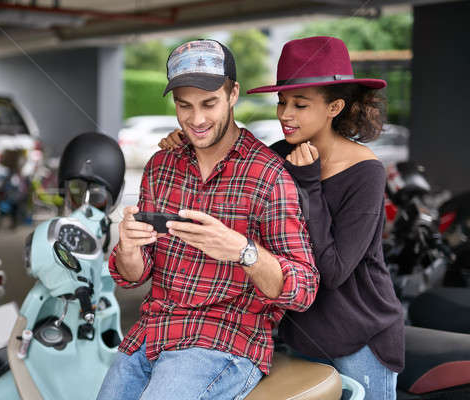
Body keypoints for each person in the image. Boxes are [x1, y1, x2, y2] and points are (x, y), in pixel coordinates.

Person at [159, 36, 405, 400]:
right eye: (282, 102)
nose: (285, 114)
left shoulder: (365, 171)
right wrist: (193, 142)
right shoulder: (276, 156)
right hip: (297, 335)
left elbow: (333, 270)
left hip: (360, 339)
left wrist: (309, 183)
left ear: (334, 106)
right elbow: (229, 169)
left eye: (300, 105)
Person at [97, 39, 318, 400]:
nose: (196, 120)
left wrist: (242, 251)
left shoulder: (268, 175)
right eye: (184, 106)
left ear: (233, 94)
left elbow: (304, 288)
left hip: (224, 340)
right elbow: (133, 276)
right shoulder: (160, 167)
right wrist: (129, 248)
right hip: (153, 333)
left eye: (209, 103)